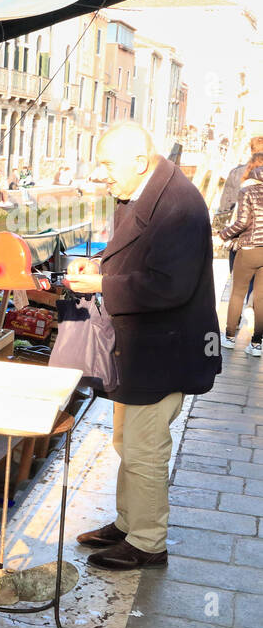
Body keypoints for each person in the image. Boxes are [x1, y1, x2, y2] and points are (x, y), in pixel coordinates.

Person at [64, 122, 221, 570]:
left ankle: (148, 543)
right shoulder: (145, 192)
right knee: (125, 440)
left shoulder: (178, 206)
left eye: (108, 164)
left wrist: (102, 283)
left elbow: (170, 286)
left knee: (144, 448)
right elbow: (137, 257)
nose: (101, 174)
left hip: (165, 351)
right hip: (138, 349)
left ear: (139, 161)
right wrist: (97, 267)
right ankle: (128, 521)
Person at [219, 155, 263, 355]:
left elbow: (242, 222)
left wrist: (223, 235)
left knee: (237, 293)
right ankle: (256, 344)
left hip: (248, 250)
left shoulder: (247, 191)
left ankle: (229, 337)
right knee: (261, 298)